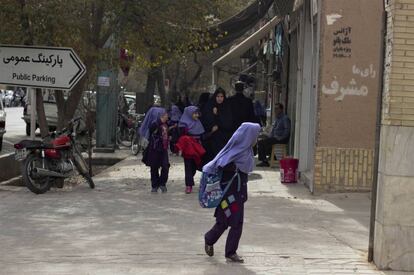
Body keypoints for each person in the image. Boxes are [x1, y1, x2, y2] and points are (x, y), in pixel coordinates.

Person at [203, 122, 261, 263]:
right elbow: (220, 166)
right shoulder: (234, 153)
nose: (256, 138)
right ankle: (230, 252)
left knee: (226, 221)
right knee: (234, 222)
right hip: (229, 196)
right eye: (255, 135)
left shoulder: (246, 150)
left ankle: (210, 239)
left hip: (237, 194)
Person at [176, 106, 209, 194]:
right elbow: (181, 137)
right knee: (188, 166)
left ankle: (191, 180)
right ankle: (188, 185)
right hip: (188, 148)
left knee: (195, 166)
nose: (196, 115)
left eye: (197, 113)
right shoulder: (183, 124)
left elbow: (202, 135)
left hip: (197, 148)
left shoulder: (198, 123)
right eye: (195, 113)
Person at [141, 107, 170, 193]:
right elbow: (151, 129)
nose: (166, 116)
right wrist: (159, 121)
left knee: (165, 166)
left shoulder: (166, 124)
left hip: (163, 149)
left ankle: (162, 183)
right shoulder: (155, 123)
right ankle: (155, 185)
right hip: (154, 148)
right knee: (154, 167)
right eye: (164, 115)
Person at [201, 87, 233, 164]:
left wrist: (217, 115)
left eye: (221, 96)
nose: (220, 98)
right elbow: (205, 121)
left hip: (223, 138)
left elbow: (228, 123)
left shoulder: (227, 107)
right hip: (211, 138)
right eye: (218, 96)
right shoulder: (209, 106)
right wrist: (211, 128)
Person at [256, 103, 290, 167]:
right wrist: (267, 135)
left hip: (281, 139)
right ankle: (273, 156)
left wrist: (281, 138)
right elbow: (273, 130)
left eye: (277, 108)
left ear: (281, 109)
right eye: (274, 108)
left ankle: (264, 161)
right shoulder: (277, 118)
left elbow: (287, 130)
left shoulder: (285, 118)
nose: (275, 110)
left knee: (261, 143)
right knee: (261, 140)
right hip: (275, 138)